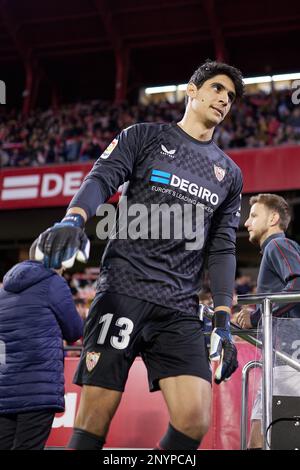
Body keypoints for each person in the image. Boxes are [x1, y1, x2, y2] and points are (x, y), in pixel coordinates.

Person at [36, 60, 244, 450]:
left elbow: (223, 248)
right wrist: (73, 220)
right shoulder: (144, 136)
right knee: (94, 418)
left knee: (194, 421)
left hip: (180, 307)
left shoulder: (229, 173)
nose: (224, 99)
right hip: (124, 291)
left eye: (230, 96)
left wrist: (223, 321)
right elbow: (102, 178)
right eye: (217, 88)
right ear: (192, 90)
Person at [0, 241, 83, 450]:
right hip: (38, 389)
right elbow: (74, 331)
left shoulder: (4, 289)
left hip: (4, 392)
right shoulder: (53, 283)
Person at [235, 193, 300, 449]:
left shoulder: (277, 245)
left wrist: (256, 316)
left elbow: (297, 283)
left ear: (273, 219)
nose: (247, 223)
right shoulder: (278, 250)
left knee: (265, 441)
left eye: (253, 216)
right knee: (257, 441)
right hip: (280, 361)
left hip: (288, 362)